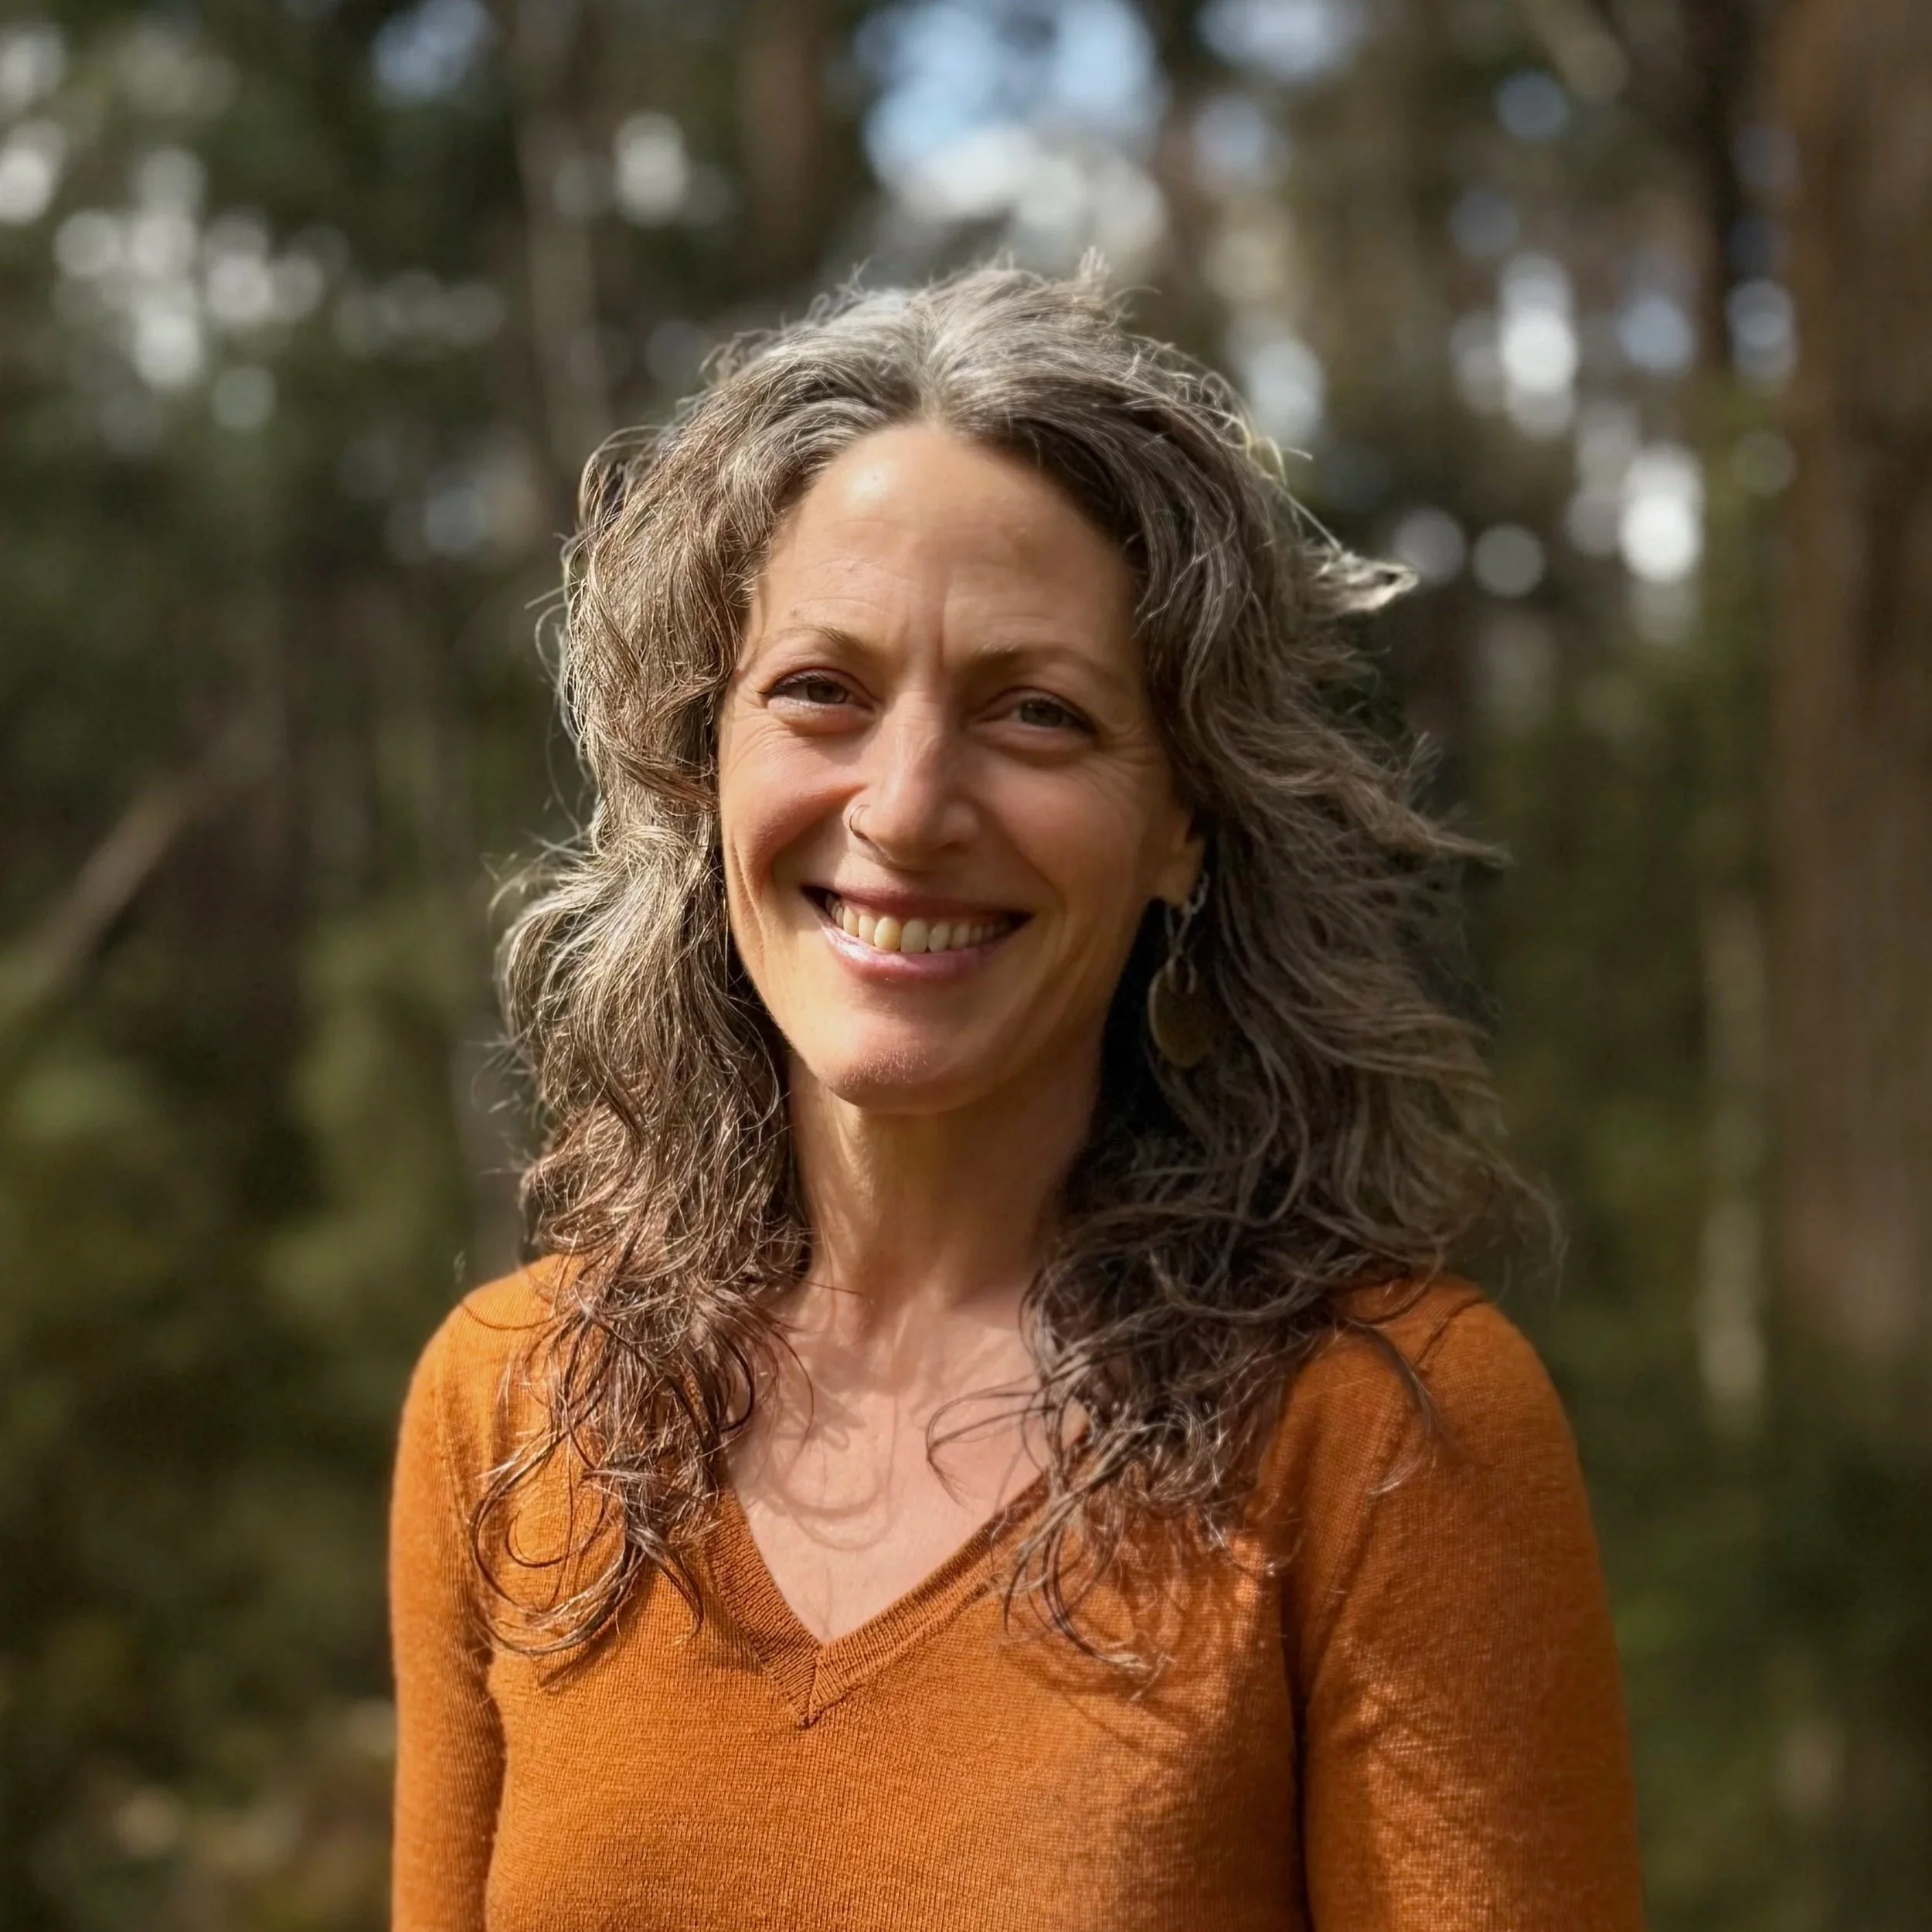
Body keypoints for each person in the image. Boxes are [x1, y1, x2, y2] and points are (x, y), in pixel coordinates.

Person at [389, 265, 1645, 1930]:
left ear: (1182, 823)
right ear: (705, 771)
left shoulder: (1380, 1433)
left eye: (1034, 713)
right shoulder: (509, 1405)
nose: (904, 808)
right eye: (819, 691)